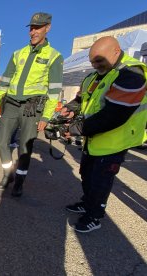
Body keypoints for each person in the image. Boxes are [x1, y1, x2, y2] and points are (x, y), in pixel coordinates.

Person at [63, 36, 147, 233]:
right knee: (86, 174)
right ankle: (87, 202)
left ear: (116, 52)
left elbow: (113, 115)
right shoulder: (95, 75)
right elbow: (82, 98)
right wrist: (70, 108)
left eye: (99, 61)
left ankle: (95, 216)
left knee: (101, 180)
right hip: (94, 138)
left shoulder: (132, 74)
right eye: (92, 61)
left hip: (114, 140)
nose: (95, 65)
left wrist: (76, 129)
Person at [0, 12, 63, 196]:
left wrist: (46, 116)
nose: (33, 32)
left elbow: (54, 91)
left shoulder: (54, 56)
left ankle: (19, 182)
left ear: (48, 28)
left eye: (37, 27)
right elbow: (5, 81)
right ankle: (8, 173)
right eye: (31, 28)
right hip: (12, 105)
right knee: (1, 140)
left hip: (33, 108)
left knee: (25, 147)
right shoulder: (17, 54)